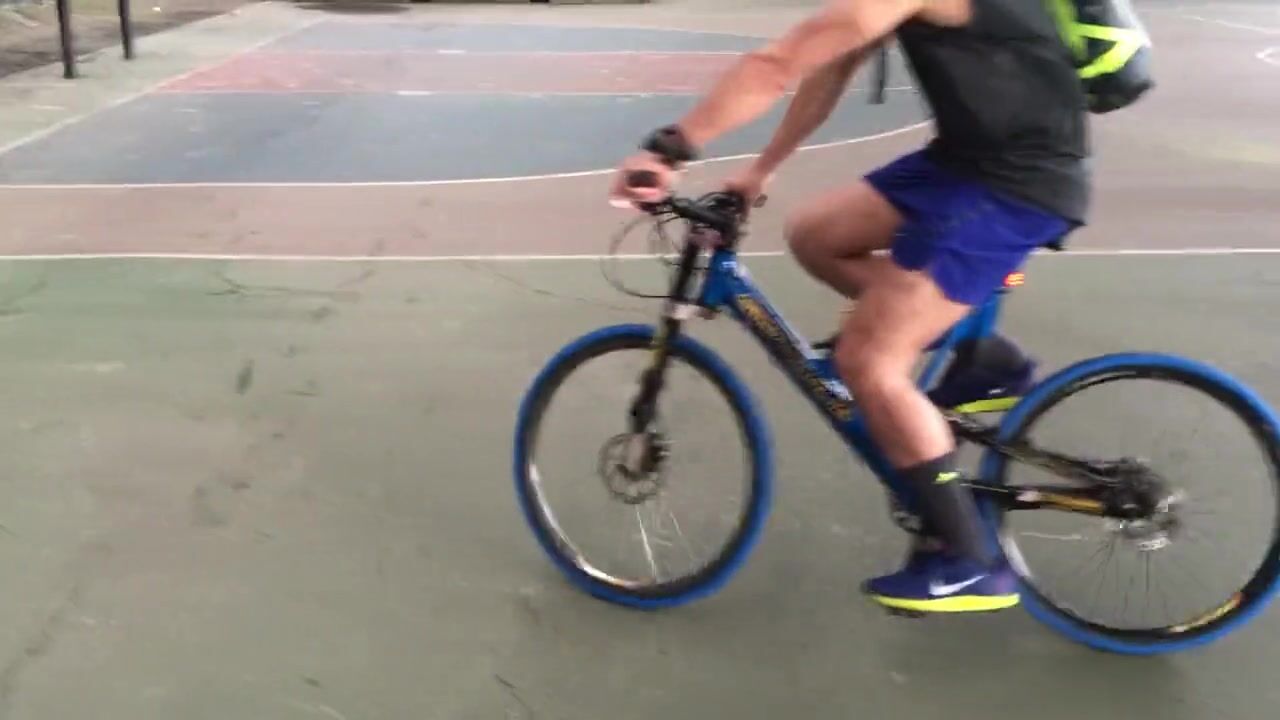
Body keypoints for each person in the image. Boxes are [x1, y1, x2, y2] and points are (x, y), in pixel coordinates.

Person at [610, 0, 1088, 614]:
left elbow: (777, 63)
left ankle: (967, 558)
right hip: (965, 166)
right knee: (816, 235)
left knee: (869, 361)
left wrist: (669, 148)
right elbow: (829, 65)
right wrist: (762, 170)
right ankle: (982, 355)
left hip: (1013, 187)